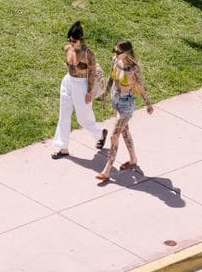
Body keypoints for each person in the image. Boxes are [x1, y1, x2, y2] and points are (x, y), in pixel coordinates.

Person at [96, 40, 153, 183]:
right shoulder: (116, 60)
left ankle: (107, 170)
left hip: (126, 103)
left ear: (126, 53)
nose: (115, 54)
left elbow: (140, 86)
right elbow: (111, 77)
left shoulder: (134, 69)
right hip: (115, 99)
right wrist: (104, 95)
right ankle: (133, 159)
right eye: (114, 50)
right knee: (124, 131)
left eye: (118, 52)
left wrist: (148, 103)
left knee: (114, 135)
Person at [51, 21, 108, 158]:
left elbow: (92, 73)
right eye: (69, 40)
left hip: (81, 85)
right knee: (63, 116)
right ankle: (62, 147)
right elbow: (69, 66)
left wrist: (89, 92)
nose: (71, 43)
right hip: (67, 82)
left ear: (81, 39)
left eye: (74, 41)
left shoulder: (88, 54)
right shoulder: (68, 49)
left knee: (83, 118)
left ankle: (100, 134)